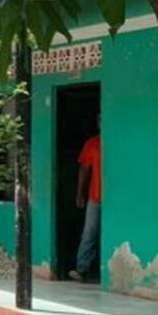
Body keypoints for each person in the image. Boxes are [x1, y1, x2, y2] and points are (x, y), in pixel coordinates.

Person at [69, 116, 102, 282]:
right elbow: (84, 169)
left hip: (116, 200)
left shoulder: (118, 141)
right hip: (95, 196)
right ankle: (82, 269)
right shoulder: (92, 144)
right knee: (89, 232)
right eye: (100, 120)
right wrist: (80, 193)